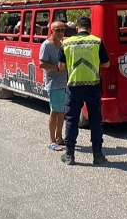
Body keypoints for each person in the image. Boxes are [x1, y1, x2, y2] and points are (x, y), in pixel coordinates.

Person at [58, 16, 110, 165]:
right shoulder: (97, 41)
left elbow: (61, 67)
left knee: (72, 120)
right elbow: (106, 64)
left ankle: (69, 155)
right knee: (95, 120)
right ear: (90, 27)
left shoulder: (66, 43)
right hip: (93, 86)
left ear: (77, 28)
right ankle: (97, 155)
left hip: (74, 86)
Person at [39, 21, 68, 151]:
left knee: (61, 112)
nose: (61, 33)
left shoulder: (62, 44)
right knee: (54, 112)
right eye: (58, 30)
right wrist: (57, 69)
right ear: (52, 31)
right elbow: (41, 64)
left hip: (63, 83)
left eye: (62, 30)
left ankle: (59, 137)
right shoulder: (46, 45)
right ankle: (51, 140)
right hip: (53, 84)